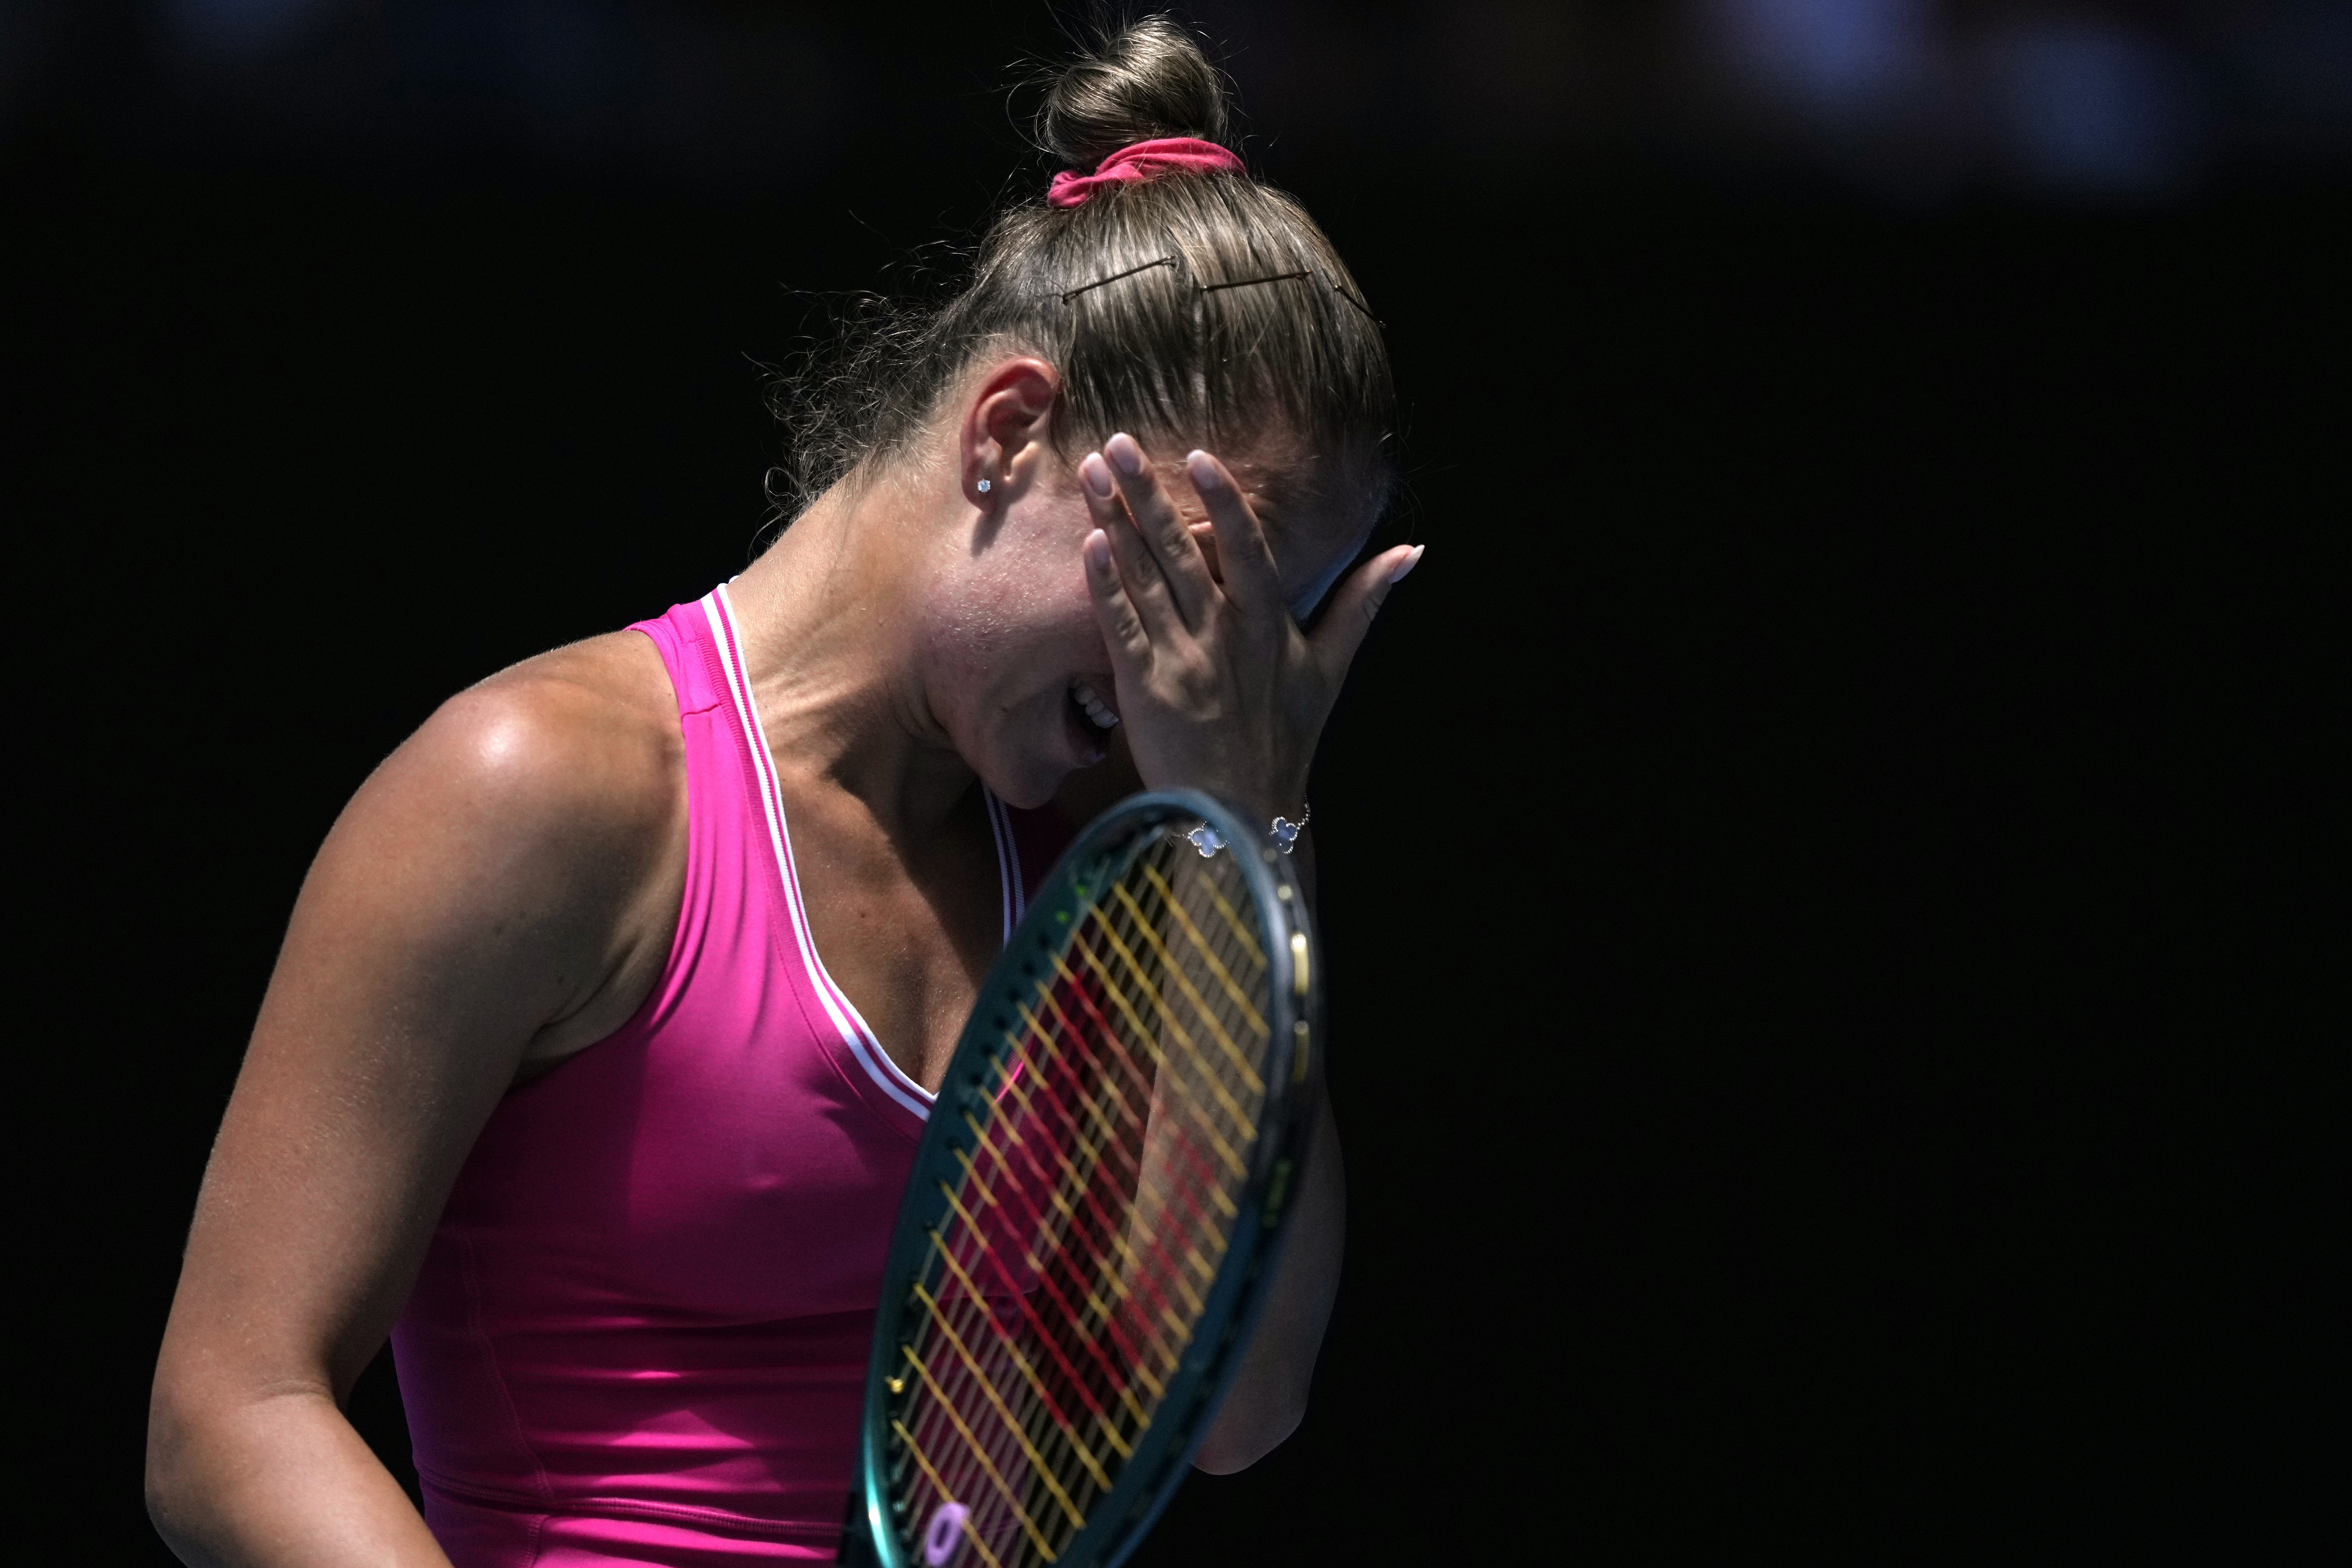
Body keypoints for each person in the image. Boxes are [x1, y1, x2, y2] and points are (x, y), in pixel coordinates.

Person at [146, 17, 1421, 1566]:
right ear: (1009, 433)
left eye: (1255, 639)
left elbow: (1236, 1407)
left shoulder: (1106, 852)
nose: (1196, 678)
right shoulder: (535, 789)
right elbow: (233, 1416)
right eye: (1186, 587)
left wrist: (1251, 826)